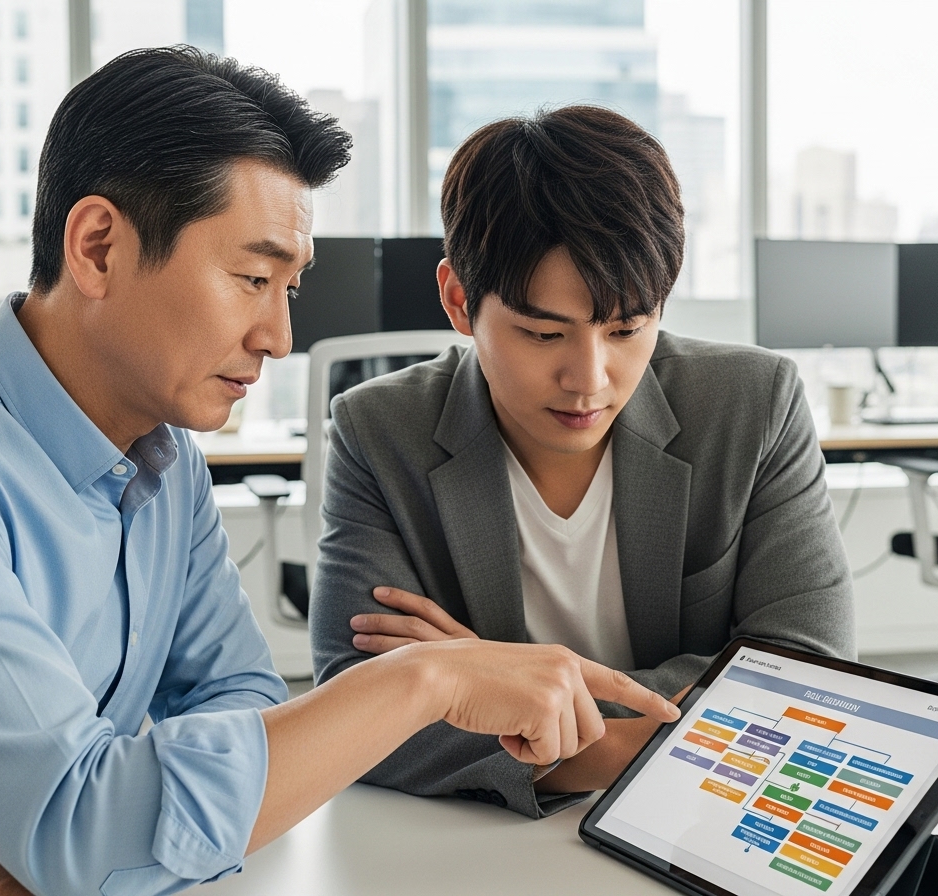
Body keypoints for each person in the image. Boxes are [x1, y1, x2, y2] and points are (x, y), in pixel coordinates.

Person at [0, 50, 679, 896]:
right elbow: (90, 828)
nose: (278, 334)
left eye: (291, 288)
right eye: (251, 278)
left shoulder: (169, 468)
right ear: (96, 247)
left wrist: (118, 843)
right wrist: (430, 677)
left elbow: (241, 709)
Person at [309, 105, 856, 819]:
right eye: (543, 333)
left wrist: (477, 681)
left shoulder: (754, 405)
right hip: (484, 845)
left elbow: (802, 672)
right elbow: (354, 707)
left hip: (702, 827)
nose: (591, 378)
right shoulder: (380, 430)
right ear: (458, 301)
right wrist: (635, 739)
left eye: (628, 328)